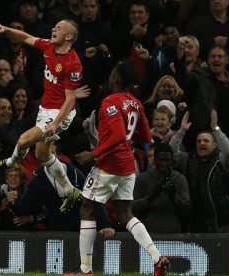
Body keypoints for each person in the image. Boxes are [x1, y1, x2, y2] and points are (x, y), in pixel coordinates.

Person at [67, 60, 169, 276]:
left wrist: (93, 153)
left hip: (109, 164)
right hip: (128, 166)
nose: (110, 74)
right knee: (125, 213)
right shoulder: (136, 103)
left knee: (87, 207)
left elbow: (119, 135)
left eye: (113, 71)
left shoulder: (110, 102)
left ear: (117, 78)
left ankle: (85, 270)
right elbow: (146, 137)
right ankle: (157, 257)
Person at [0, 19, 83, 212]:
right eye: (54, 25)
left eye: (59, 28)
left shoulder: (73, 64)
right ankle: (70, 190)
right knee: (42, 155)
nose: (54, 28)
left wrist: (56, 123)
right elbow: (26, 37)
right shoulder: (48, 46)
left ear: (69, 36)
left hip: (60, 114)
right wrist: (5, 28)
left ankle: (9, 162)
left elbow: (70, 98)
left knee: (23, 141)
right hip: (46, 110)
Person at [169, 110, 229, 233]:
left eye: (206, 141)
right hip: (196, 221)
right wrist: (181, 131)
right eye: (199, 141)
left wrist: (215, 129)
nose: (202, 143)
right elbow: (171, 154)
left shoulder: (221, 162)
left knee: (223, 252)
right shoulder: (188, 159)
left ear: (215, 145)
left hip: (220, 220)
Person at [132, 142, 191, 233]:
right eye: (161, 160)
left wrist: (174, 197)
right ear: (154, 159)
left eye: (167, 160)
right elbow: (131, 207)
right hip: (147, 234)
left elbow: (187, 209)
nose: (164, 164)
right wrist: (150, 198)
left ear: (171, 160)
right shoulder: (142, 179)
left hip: (173, 234)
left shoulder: (179, 179)